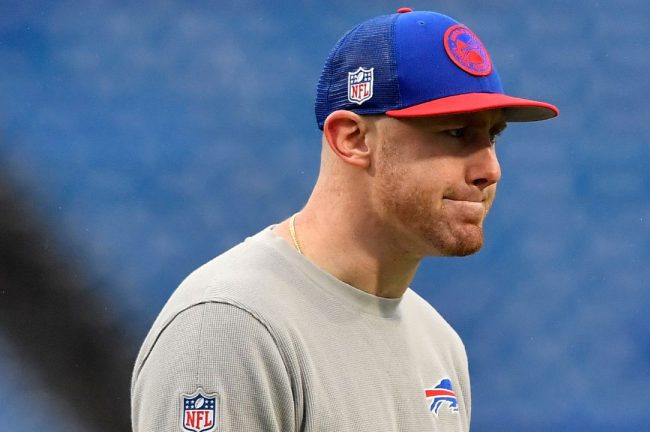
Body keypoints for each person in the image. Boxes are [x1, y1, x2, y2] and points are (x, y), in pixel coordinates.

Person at [130, 7, 558, 432]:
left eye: (493, 136)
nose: (490, 169)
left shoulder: (438, 344)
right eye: (455, 132)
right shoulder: (231, 325)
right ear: (352, 139)